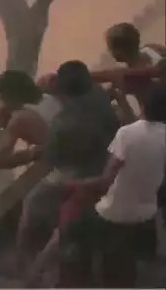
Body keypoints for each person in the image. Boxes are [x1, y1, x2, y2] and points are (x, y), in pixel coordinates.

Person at [14, 61, 122, 275]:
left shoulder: (63, 123)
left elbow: (52, 159)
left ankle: (22, 261)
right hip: (109, 160)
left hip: (81, 172)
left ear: (61, 88)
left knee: (32, 203)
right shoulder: (99, 94)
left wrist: (30, 153)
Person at [62, 85, 166, 287]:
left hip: (113, 214)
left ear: (143, 105)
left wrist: (73, 184)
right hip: (146, 214)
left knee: (70, 229)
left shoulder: (125, 134)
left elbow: (104, 181)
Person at [0, 70, 61, 175]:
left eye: (2, 99)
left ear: (10, 97)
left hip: (58, 164)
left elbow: (5, 157)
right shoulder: (46, 98)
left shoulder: (20, 119)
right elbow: (3, 112)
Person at [104, 22, 165, 117]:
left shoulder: (122, 77)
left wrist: (121, 100)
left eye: (111, 48)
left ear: (120, 50)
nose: (109, 51)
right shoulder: (154, 49)